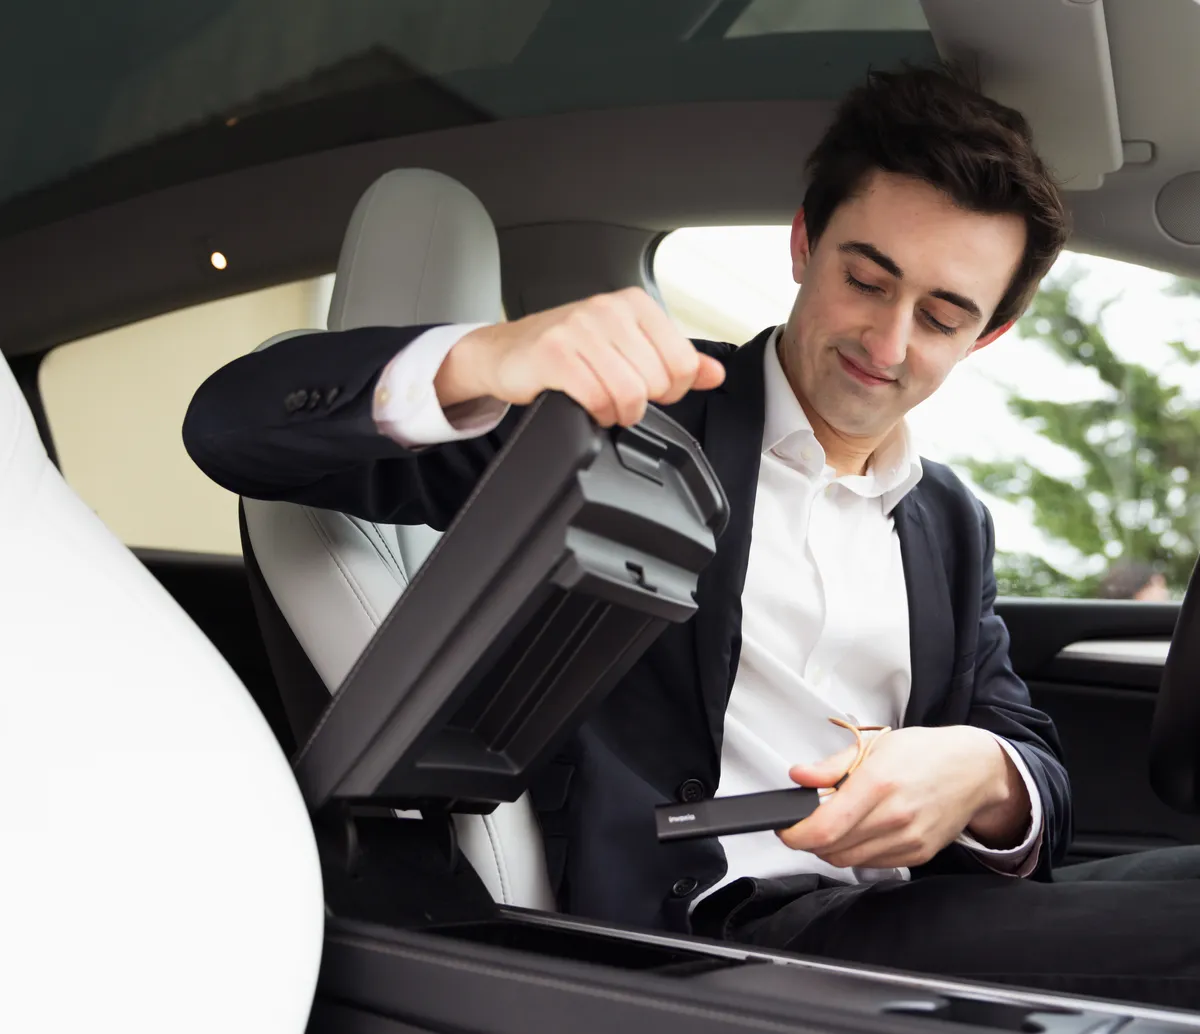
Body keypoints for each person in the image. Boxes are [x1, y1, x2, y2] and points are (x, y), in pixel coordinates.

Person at [183, 65, 1200, 1009]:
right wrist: (488, 356)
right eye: (866, 278)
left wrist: (978, 775)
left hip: (900, 921)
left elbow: (1039, 768)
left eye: (940, 315)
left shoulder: (947, 520)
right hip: (701, 945)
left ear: (987, 335)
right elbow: (233, 426)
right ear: (803, 243)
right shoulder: (628, 422)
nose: (887, 344)